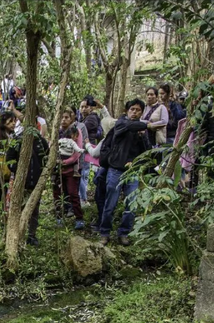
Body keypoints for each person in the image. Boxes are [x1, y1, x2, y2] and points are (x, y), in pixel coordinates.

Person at [97, 99, 150, 245]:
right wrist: (147, 125)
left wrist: (143, 137)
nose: (134, 112)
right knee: (110, 204)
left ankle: (124, 233)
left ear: (141, 112)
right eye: (132, 109)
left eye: (138, 110)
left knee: (131, 205)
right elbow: (126, 126)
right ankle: (104, 233)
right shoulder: (121, 124)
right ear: (127, 111)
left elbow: (148, 151)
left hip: (132, 172)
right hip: (115, 169)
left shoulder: (141, 130)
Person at [4, 119, 48, 245]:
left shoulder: (40, 141)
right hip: (21, 183)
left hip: (36, 183)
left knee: (34, 209)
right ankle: (16, 234)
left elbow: (47, 157)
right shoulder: (18, 140)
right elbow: (9, 159)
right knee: (18, 207)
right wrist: (19, 172)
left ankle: (31, 235)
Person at [55, 110, 86, 229]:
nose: (63, 120)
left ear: (72, 119)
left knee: (73, 193)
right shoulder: (57, 132)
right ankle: (59, 217)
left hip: (71, 168)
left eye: (66, 117)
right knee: (57, 193)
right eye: (62, 117)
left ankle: (79, 218)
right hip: (57, 168)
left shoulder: (75, 132)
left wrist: (65, 162)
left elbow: (77, 152)